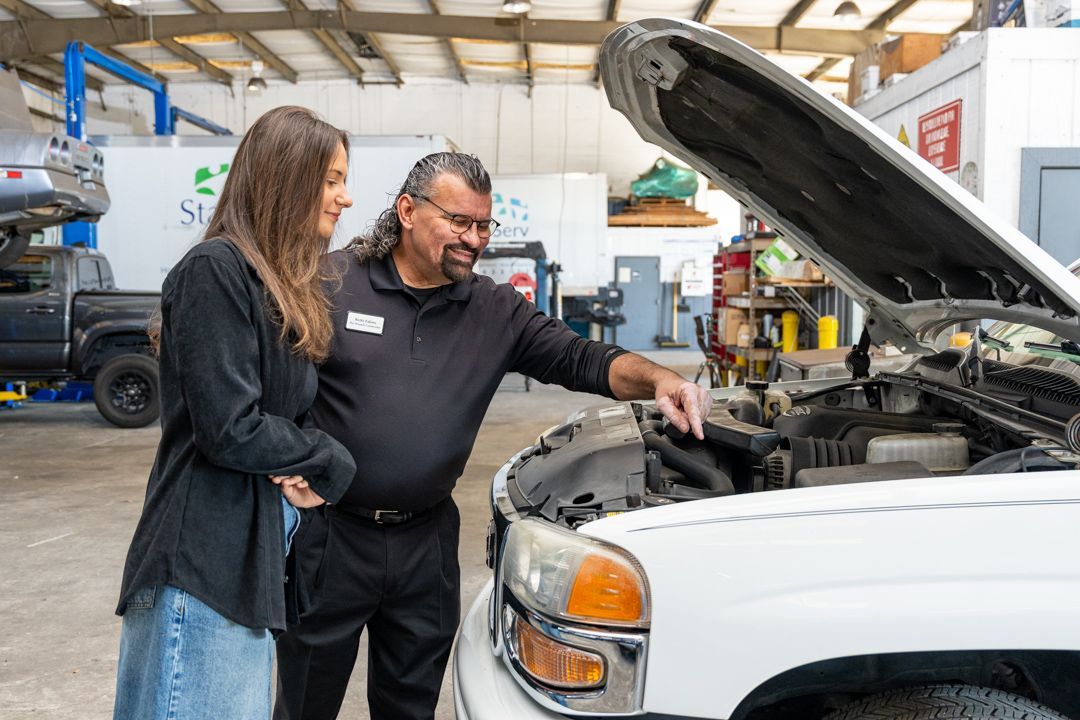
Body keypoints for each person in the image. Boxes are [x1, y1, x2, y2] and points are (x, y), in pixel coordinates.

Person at [274, 152, 711, 720]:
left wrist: (661, 378)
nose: (474, 239)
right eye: (458, 222)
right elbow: (271, 376)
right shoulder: (332, 282)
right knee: (304, 701)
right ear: (407, 210)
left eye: (483, 225)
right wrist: (284, 452)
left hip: (425, 545)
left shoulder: (493, 309)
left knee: (410, 705)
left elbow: (583, 358)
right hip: (330, 538)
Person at [112, 106, 359, 720]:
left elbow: (279, 416)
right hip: (201, 568)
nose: (344, 197)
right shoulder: (214, 271)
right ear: (286, 178)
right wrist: (326, 460)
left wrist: (299, 471)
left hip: (249, 568)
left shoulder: (276, 284)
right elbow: (230, 428)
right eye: (330, 179)